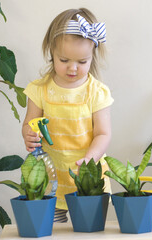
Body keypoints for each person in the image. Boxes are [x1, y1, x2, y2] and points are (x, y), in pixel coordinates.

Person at [22, 8, 112, 223]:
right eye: (64, 60)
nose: (73, 68)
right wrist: (28, 134)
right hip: (52, 178)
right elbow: (29, 124)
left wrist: (90, 159)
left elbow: (103, 134)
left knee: (90, 232)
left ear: (93, 56)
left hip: (88, 179)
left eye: (82, 62)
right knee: (53, 232)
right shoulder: (39, 89)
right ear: (51, 52)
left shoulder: (97, 92)